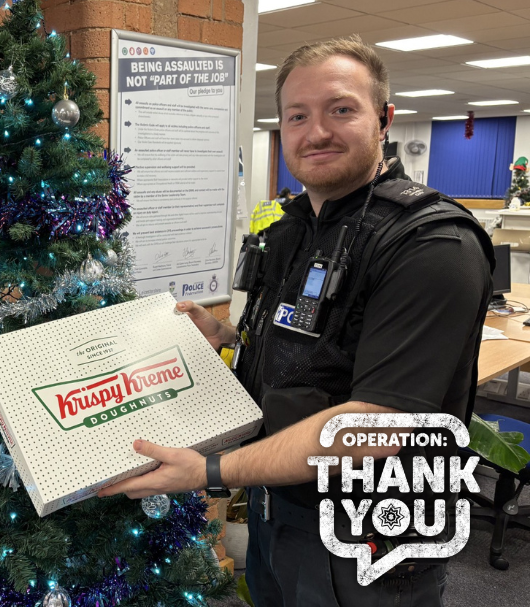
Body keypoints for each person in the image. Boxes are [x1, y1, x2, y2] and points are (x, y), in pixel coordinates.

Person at [101, 35, 493, 606]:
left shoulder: (431, 244)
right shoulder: (291, 228)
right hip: (275, 505)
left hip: (368, 540)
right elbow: (316, 342)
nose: (316, 132)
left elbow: (375, 426)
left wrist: (208, 470)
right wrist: (230, 336)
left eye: (341, 109)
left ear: (384, 119)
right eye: (297, 116)